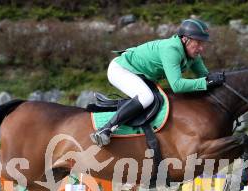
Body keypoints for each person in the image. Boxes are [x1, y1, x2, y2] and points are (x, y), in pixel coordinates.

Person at [90, 18, 225, 147]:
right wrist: (206, 82)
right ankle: (105, 130)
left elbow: (206, 77)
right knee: (146, 97)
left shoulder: (193, 55)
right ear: (185, 39)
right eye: (199, 43)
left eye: (203, 43)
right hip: (120, 69)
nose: (202, 48)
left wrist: (219, 80)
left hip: (141, 75)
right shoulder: (171, 50)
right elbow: (177, 86)